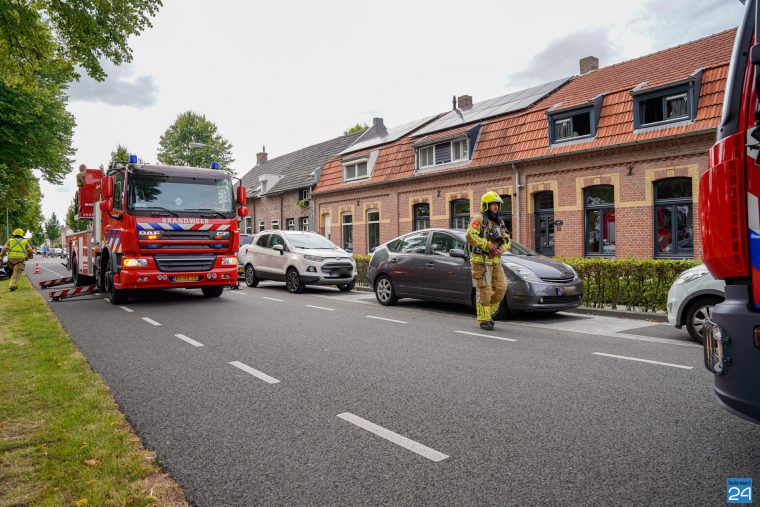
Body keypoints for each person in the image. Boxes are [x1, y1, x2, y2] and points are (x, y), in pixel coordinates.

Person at [466, 192, 511, 331]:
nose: (496, 207)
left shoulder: (500, 221)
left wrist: (501, 249)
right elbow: (470, 235)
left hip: (496, 261)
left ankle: (487, 313)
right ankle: (484, 319)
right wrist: (487, 245)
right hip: (481, 262)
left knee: (501, 289)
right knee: (485, 292)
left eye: (497, 205)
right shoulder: (479, 219)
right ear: (486, 205)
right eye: (493, 204)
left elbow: (507, 240)